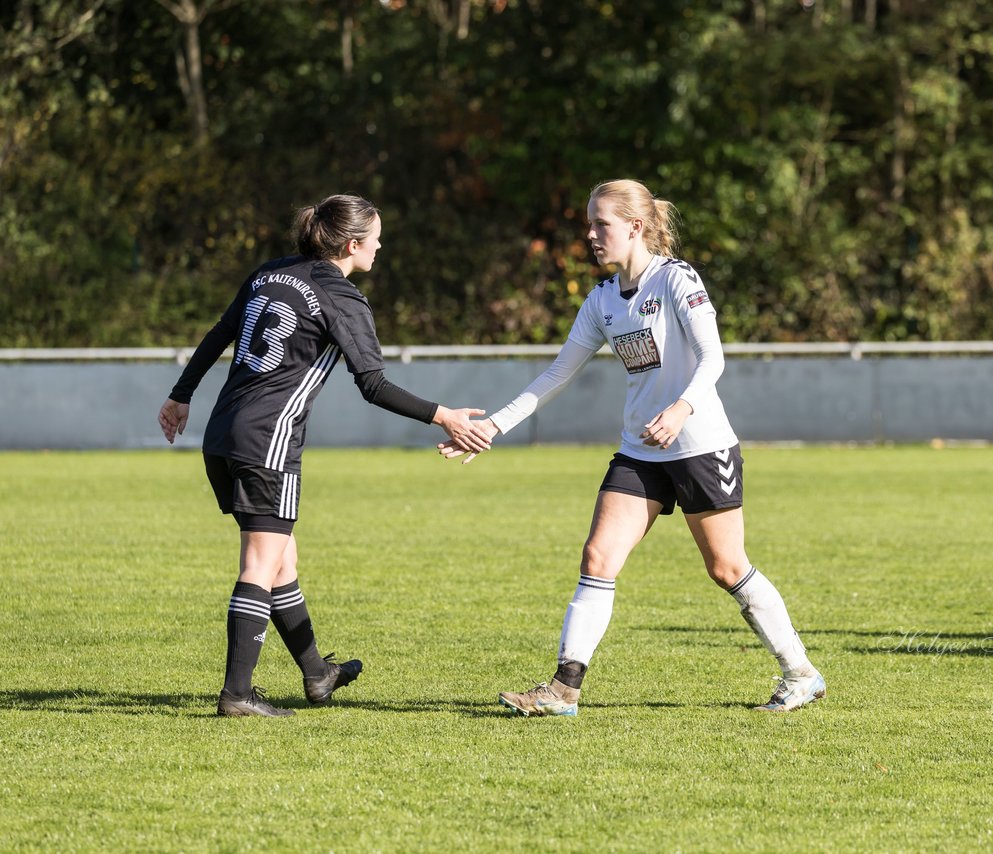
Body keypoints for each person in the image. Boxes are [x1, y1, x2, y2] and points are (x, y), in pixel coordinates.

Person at [438, 179, 825, 715]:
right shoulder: (601, 300)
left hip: (700, 445)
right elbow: (556, 373)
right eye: (590, 226)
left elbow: (714, 358)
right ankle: (563, 690)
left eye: (603, 225)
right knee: (598, 556)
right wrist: (493, 427)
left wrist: (682, 408)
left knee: (727, 568)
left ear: (636, 227)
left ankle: (801, 673)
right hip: (641, 452)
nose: (592, 236)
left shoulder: (676, 279)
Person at [159, 194, 492, 718]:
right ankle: (237, 695)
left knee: (281, 558)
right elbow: (374, 385)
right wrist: (443, 414)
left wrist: (181, 395)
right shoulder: (342, 297)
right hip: (268, 441)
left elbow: (219, 333)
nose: (381, 246)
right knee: (260, 562)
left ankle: (317, 674)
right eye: (376, 238)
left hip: (223, 433)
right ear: (353, 244)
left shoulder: (271, 273)